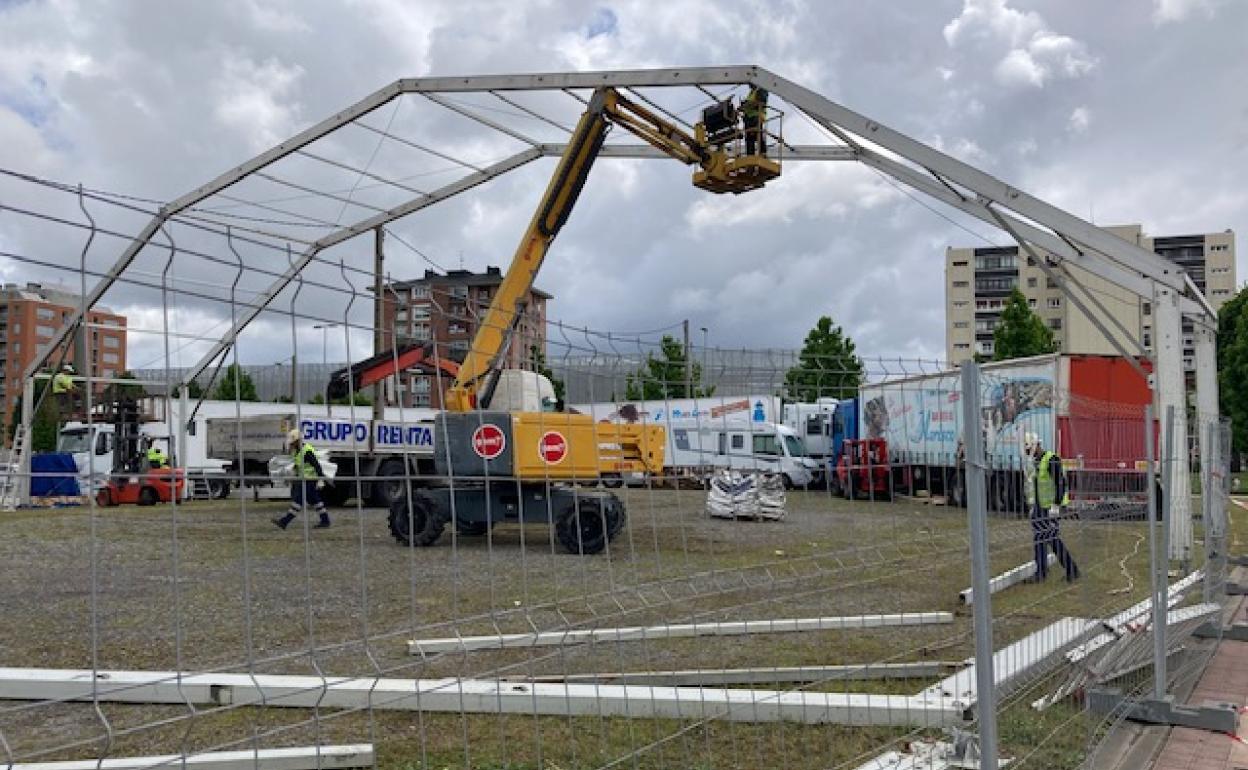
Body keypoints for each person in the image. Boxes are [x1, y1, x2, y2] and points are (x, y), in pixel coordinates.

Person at [1022, 432, 1079, 582]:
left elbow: (1060, 483)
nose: (1028, 453)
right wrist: (1033, 506)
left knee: (1052, 539)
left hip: (1051, 507)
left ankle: (1071, 570)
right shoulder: (1037, 462)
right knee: (1039, 539)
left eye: (1028, 449)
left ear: (1035, 446)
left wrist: (1055, 506)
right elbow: (1035, 486)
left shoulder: (1051, 460)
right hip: (1040, 507)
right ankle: (1041, 572)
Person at [273, 429, 331, 530]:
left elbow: (316, 465)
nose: (291, 445)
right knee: (316, 501)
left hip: (310, 480)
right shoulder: (298, 451)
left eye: (292, 442)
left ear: (297, 441)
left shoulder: (307, 451)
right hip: (305, 479)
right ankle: (325, 520)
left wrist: (321, 478)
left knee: (298, 500)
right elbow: (299, 464)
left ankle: (284, 521)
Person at [741, 86, 768, 156]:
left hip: (756, 116)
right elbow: (749, 103)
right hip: (748, 118)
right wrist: (744, 106)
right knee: (749, 138)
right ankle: (750, 155)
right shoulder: (751, 93)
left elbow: (760, 102)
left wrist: (746, 105)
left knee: (757, 134)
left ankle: (763, 153)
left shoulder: (761, 90)